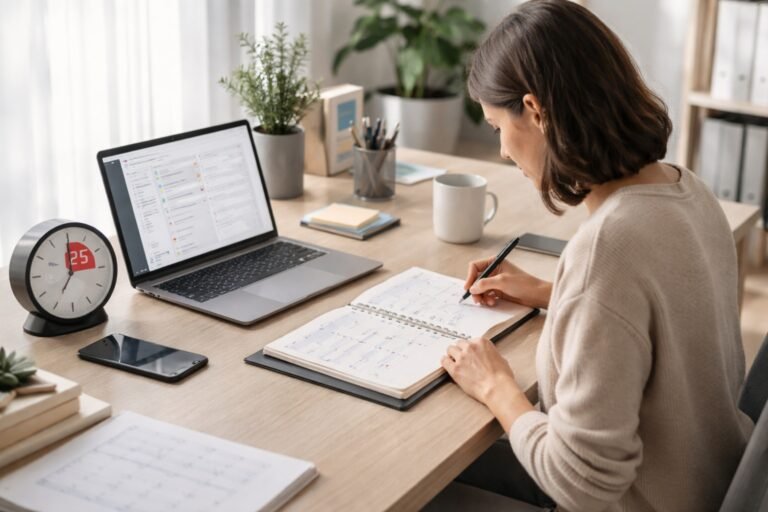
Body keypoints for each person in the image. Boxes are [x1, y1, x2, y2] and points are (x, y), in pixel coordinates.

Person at [440, 1, 754, 510]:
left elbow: (583, 482)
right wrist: (557, 295)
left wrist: (496, 386)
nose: (501, 151)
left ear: (536, 111)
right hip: (706, 485)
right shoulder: (688, 189)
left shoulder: (607, 248)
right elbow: (667, 315)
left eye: (497, 128)